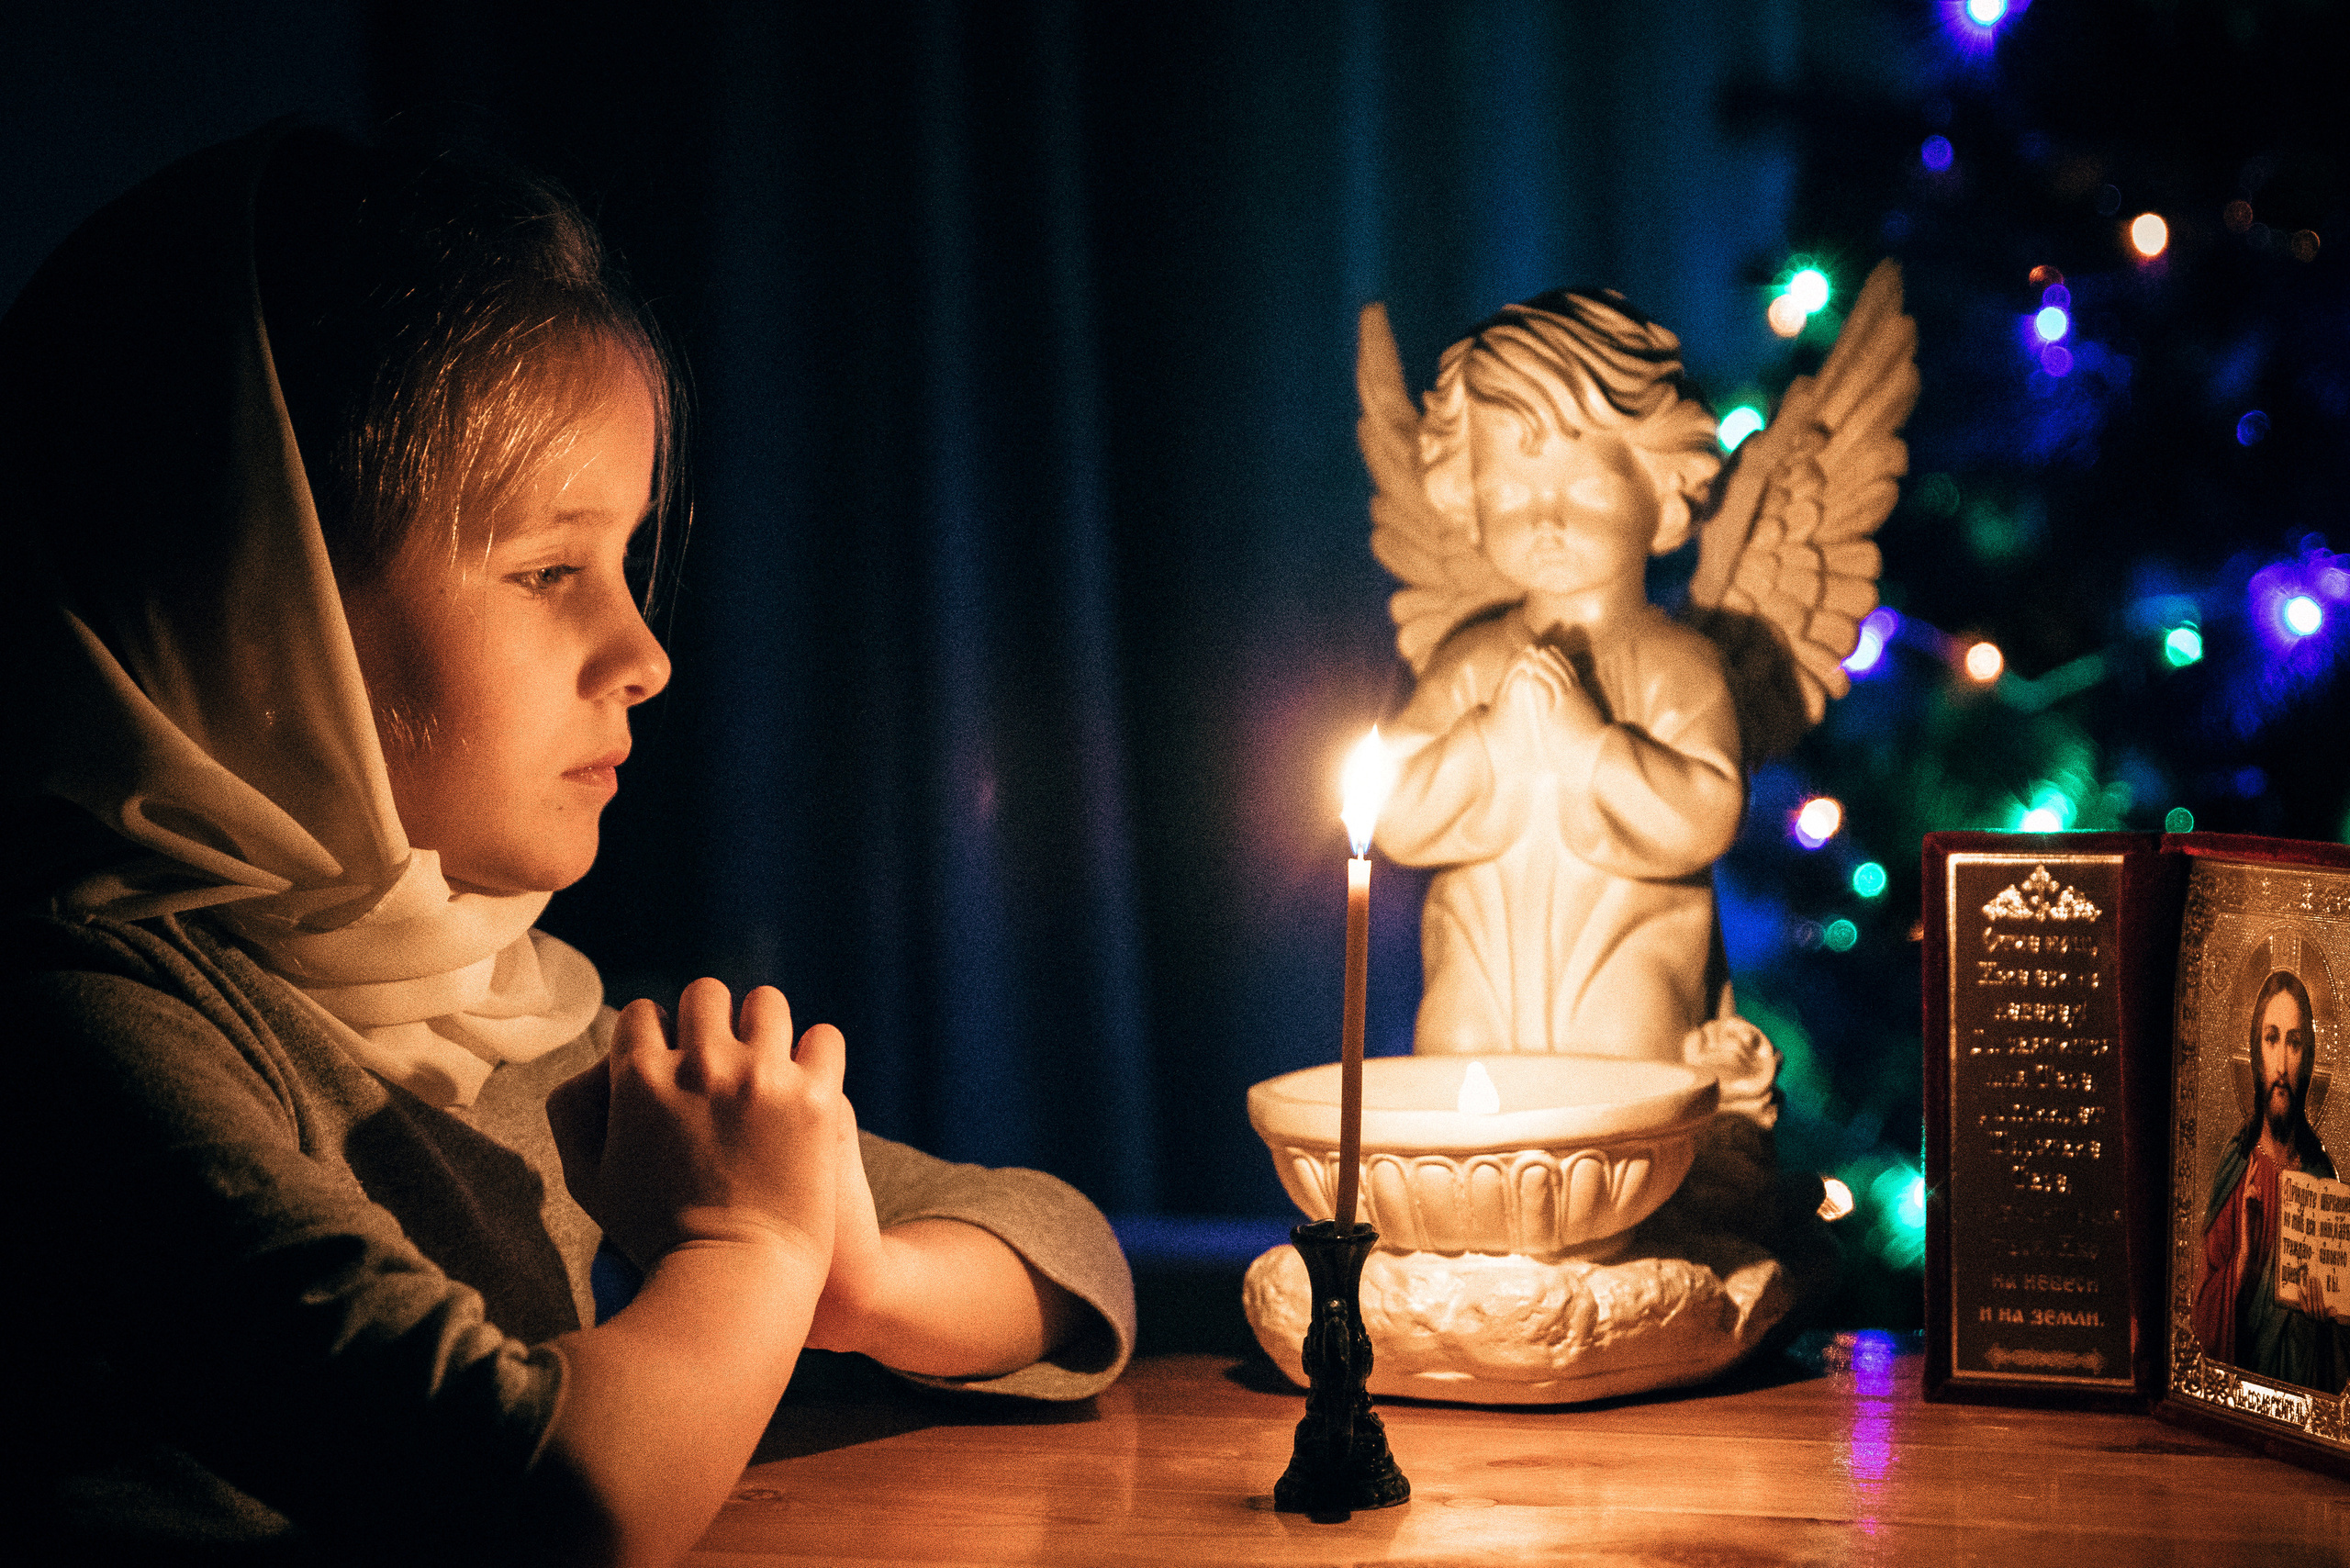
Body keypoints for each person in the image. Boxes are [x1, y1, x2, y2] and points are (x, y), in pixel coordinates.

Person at [2, 125, 1133, 1566]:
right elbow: (552, 1499)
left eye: (626, 561)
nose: (646, 652)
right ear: (252, 603)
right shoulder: (86, 1030)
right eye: (549, 571)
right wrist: (748, 1254)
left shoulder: (505, 1006)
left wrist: (858, 1275)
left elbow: (1073, 1260)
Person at [1373, 289, 1743, 1061]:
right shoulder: (1471, 662)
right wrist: (1487, 742)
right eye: (1507, 493)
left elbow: (1706, 814)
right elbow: (1393, 813)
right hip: (1481, 964)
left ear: (1665, 492)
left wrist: (1591, 749)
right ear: (1465, 502)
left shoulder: (1681, 664)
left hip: (1625, 969)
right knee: (1453, 1061)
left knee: (1625, 1073)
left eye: (1585, 490)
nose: (1544, 519)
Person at [2192, 969, 2349, 1391]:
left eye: (2295, 1043)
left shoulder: (2323, 1181)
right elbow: (2197, 1328)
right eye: (2272, 1038)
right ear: (2256, 1051)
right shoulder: (2235, 1172)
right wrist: (2243, 1264)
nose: (2281, 1064)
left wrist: (2327, 1320)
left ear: (2309, 1056)